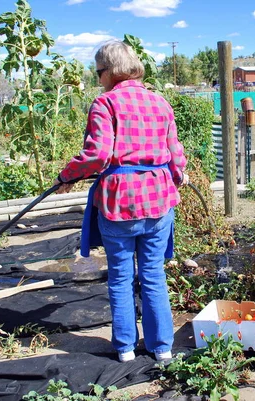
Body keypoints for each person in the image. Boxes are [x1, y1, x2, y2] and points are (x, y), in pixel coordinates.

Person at [54, 40, 188, 363]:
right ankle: (162, 349)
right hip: (158, 200)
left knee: (121, 277)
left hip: (119, 203)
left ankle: (126, 349)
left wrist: (66, 176)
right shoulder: (161, 104)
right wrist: (178, 176)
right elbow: (176, 154)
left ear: (110, 72)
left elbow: (98, 154)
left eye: (99, 72)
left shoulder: (106, 104)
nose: (98, 78)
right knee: (154, 274)